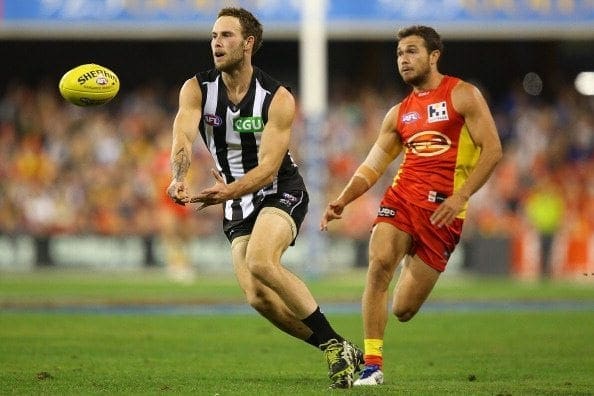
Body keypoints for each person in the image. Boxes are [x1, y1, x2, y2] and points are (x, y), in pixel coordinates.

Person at [166, 7, 361, 389]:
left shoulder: (277, 97)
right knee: (257, 297)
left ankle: (336, 347)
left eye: (226, 36)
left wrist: (227, 190)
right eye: (213, 36)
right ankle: (334, 344)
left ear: (248, 43)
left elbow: (270, 168)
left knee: (259, 260)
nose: (216, 43)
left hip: (279, 190)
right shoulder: (197, 89)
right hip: (237, 202)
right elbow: (183, 138)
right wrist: (178, 177)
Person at [321, 25, 502, 386]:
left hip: (443, 213)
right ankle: (372, 364)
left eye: (412, 51)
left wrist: (461, 196)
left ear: (434, 56)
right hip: (402, 199)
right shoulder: (398, 113)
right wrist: (342, 199)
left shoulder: (463, 95)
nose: (404, 59)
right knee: (378, 265)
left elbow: (493, 150)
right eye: (400, 53)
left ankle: (410, 257)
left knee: (403, 309)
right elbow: (372, 166)